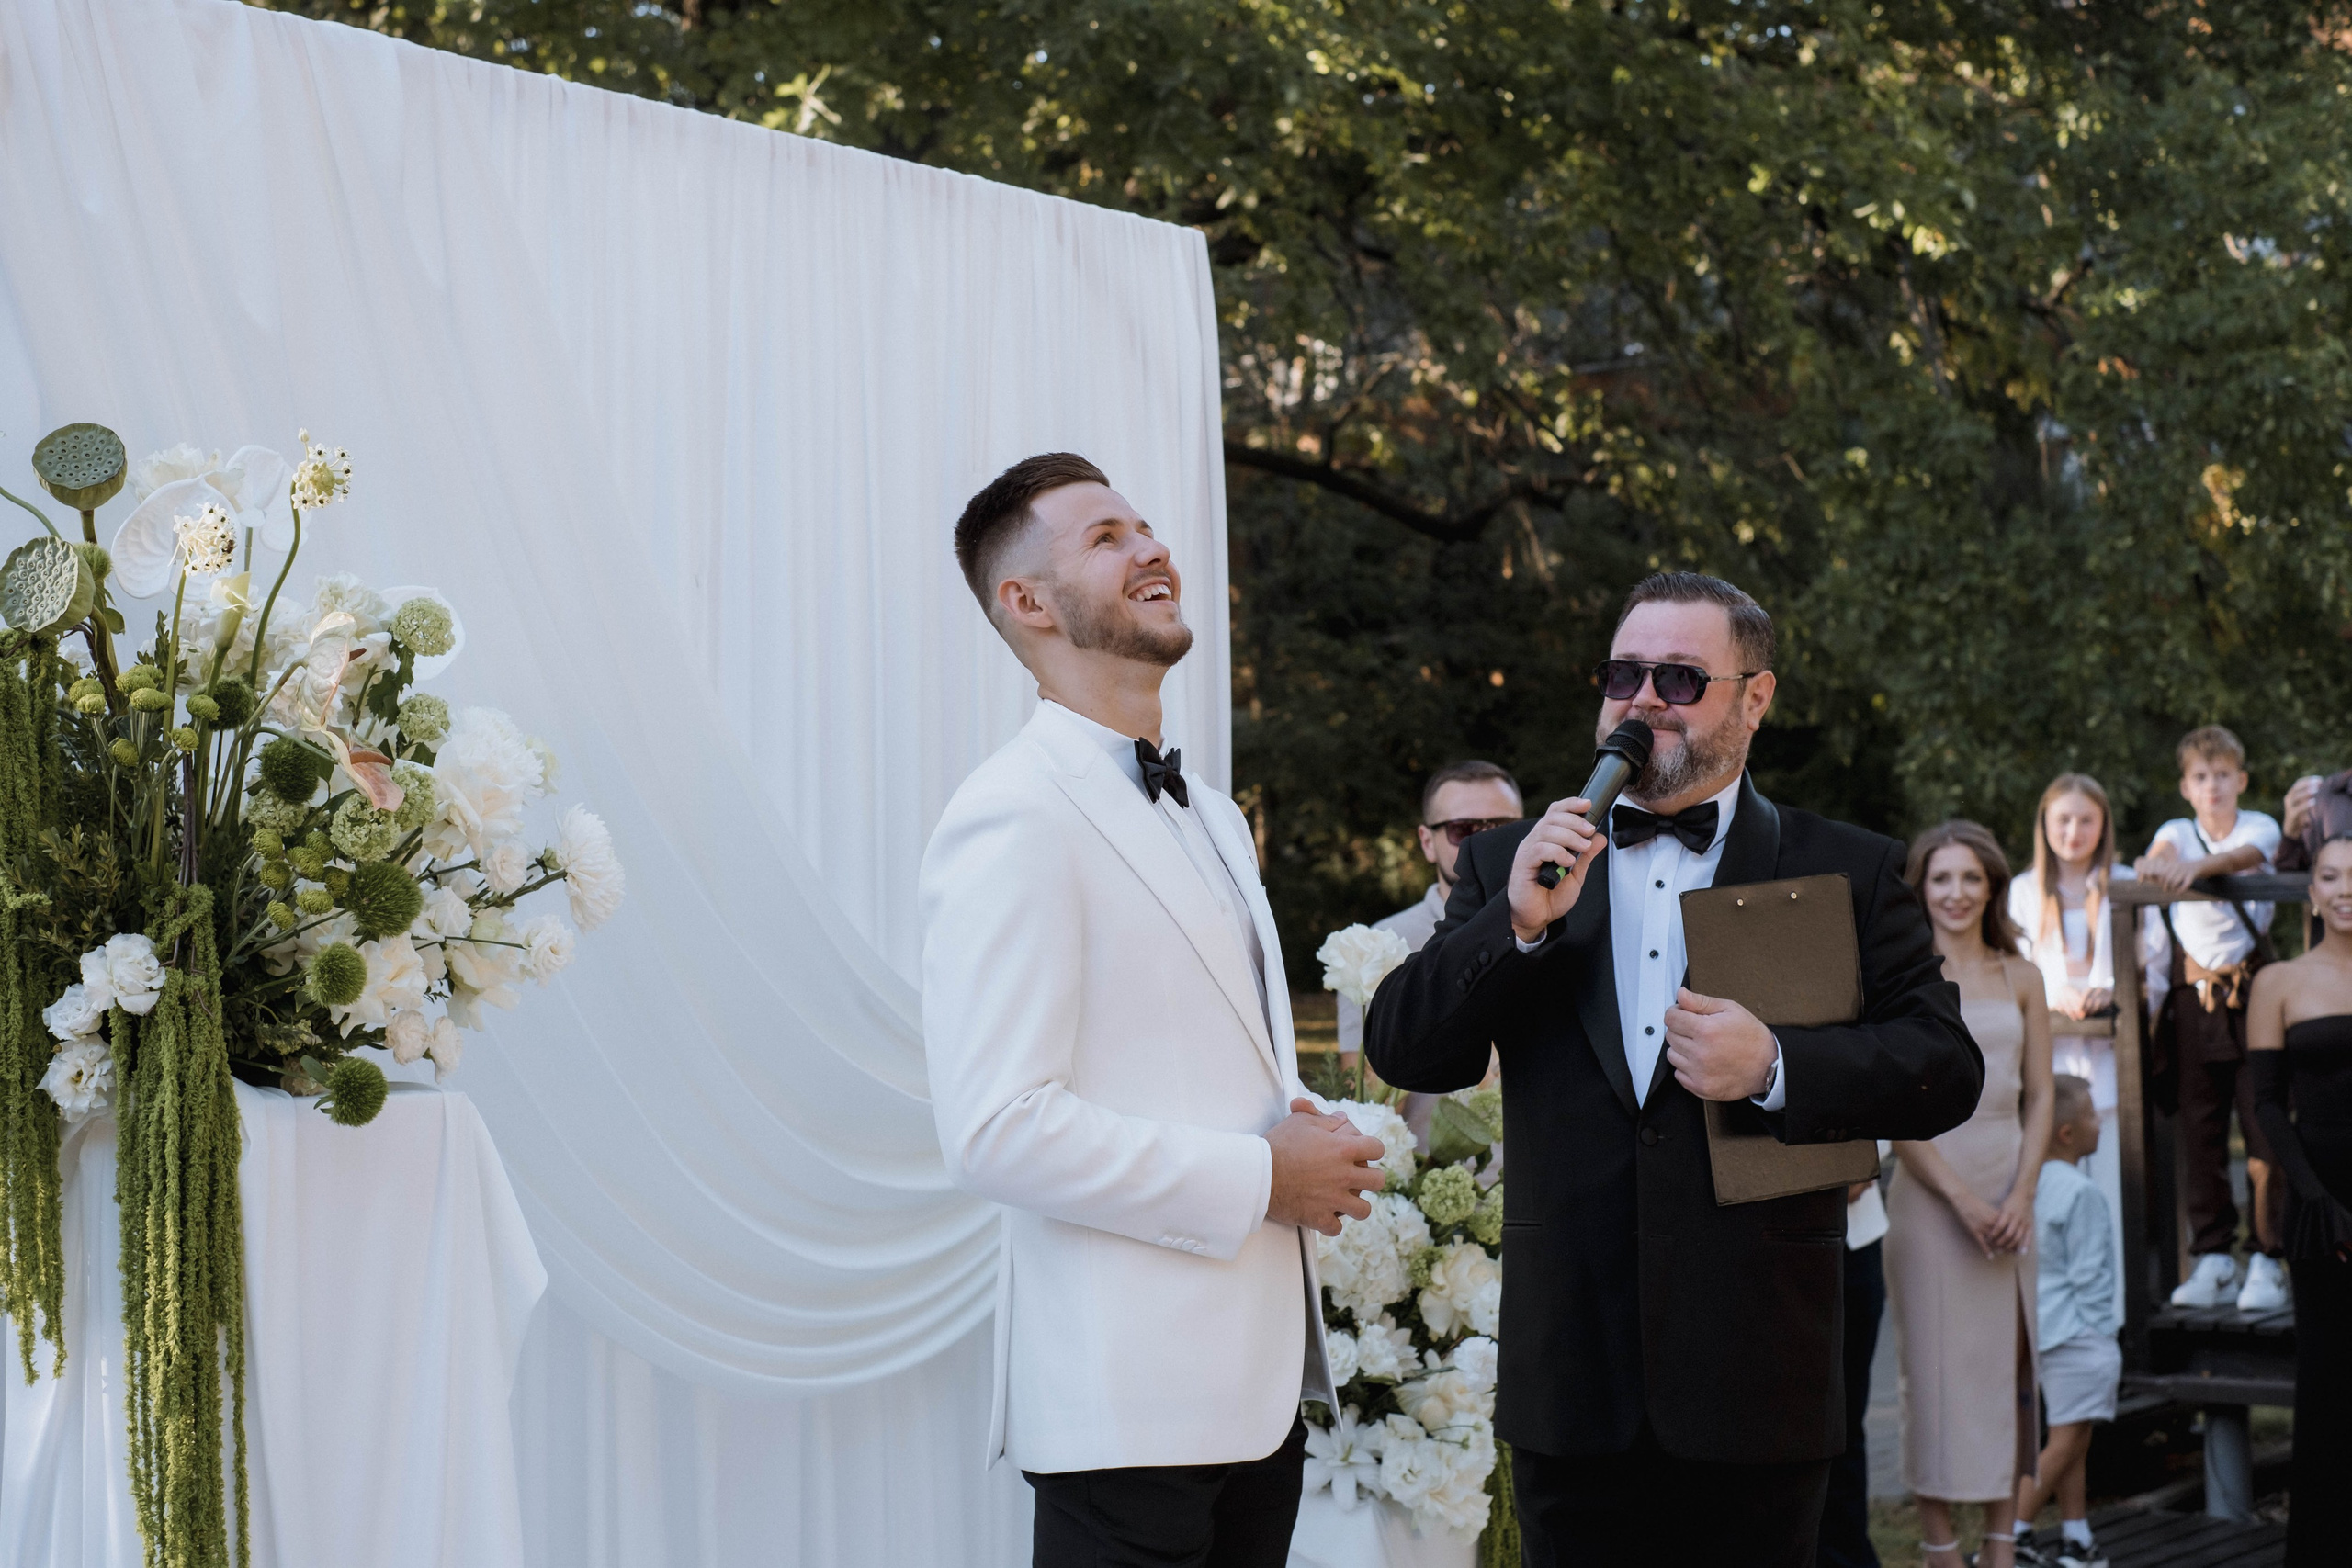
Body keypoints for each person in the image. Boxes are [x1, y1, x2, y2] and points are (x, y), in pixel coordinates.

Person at [1364, 570, 1984, 1568]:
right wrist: (1513, 924)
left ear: (1755, 698)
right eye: (1623, 674)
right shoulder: (1511, 866)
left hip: (1758, 1386)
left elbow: (1944, 1071)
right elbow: (1404, 1047)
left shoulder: (1848, 869)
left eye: (1679, 678)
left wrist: (1778, 1064)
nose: (1641, 698)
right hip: (1571, 1384)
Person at [921, 453, 1388, 1568]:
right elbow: (995, 1127)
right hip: (1127, 1413)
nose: (1150, 548)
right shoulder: (1011, 816)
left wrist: (1306, 1125)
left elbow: (1198, 1052)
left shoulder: (1213, 814)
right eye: (1103, 538)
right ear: (1025, 605)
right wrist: (1263, 1176)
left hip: (1251, 1398)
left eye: (1142, 525)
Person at [1884, 820, 2054, 1568]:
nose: (1956, 892)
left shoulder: (2023, 976)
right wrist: (1961, 1200)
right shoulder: (1898, 974)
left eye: (1970, 878)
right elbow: (1889, 1104)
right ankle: (1939, 1544)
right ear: (1921, 887)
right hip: (1930, 1194)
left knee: (2004, 1369)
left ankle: (2001, 1540)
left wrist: (2020, 1193)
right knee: (1932, 1372)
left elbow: (2043, 1096)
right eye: (1941, 878)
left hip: (2008, 1189)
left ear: (1992, 887)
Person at [2134, 725, 2287, 1312]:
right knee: (2199, 1127)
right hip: (2193, 998)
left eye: (2224, 774)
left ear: (2241, 779)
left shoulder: (2259, 827)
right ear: (2186, 787)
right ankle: (2214, 1253)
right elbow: (2162, 855)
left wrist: (2197, 871)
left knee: (2262, 1122)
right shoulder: (2176, 831)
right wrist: (2158, 862)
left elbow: (2244, 858)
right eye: (2201, 777)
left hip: (2252, 991)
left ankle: (2267, 1257)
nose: (2214, 785)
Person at [2245, 833, 2352, 1567]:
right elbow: (2263, 1104)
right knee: (2327, 1384)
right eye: (2331, 875)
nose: (2346, 887)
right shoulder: (2278, 980)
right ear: (2310, 891)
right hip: (2319, 1203)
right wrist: (2313, 1197)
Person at [1334, 761, 1521, 1142]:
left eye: (1502, 828)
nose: (1485, 842)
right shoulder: (1378, 944)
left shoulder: (1571, 927)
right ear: (1426, 841)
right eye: (1463, 830)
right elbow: (1366, 1104)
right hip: (1429, 1185)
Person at [2006, 774, 2140, 1292]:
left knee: (2109, 1201)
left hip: (2111, 1071)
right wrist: (2050, 991)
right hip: (2049, 1071)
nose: (2074, 830)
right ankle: (2050, 1328)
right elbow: (2014, 968)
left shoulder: (2123, 884)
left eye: (2086, 819)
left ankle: (2115, 1325)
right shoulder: (2022, 891)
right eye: (2063, 818)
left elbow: (2151, 959)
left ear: (2103, 824)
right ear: (2045, 824)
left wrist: (2111, 988)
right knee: (2049, 1203)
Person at [2010, 1075, 2120, 1568]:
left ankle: (2075, 1535)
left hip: (2044, 1330)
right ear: (2067, 1134)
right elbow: (2090, 1275)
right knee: (2067, 1441)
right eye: (2093, 1114)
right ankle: (2009, 1533)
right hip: (2080, 1334)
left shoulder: (2029, 1183)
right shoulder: (2082, 1193)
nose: (2101, 1122)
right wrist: (2103, 1335)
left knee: (2073, 1434)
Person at [1817, 1143, 1894, 1568]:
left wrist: (1858, 1165)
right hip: (1764, 1241)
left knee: (1846, 1424)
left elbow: (1880, 1093)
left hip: (1855, 1237)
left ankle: (1846, 1553)